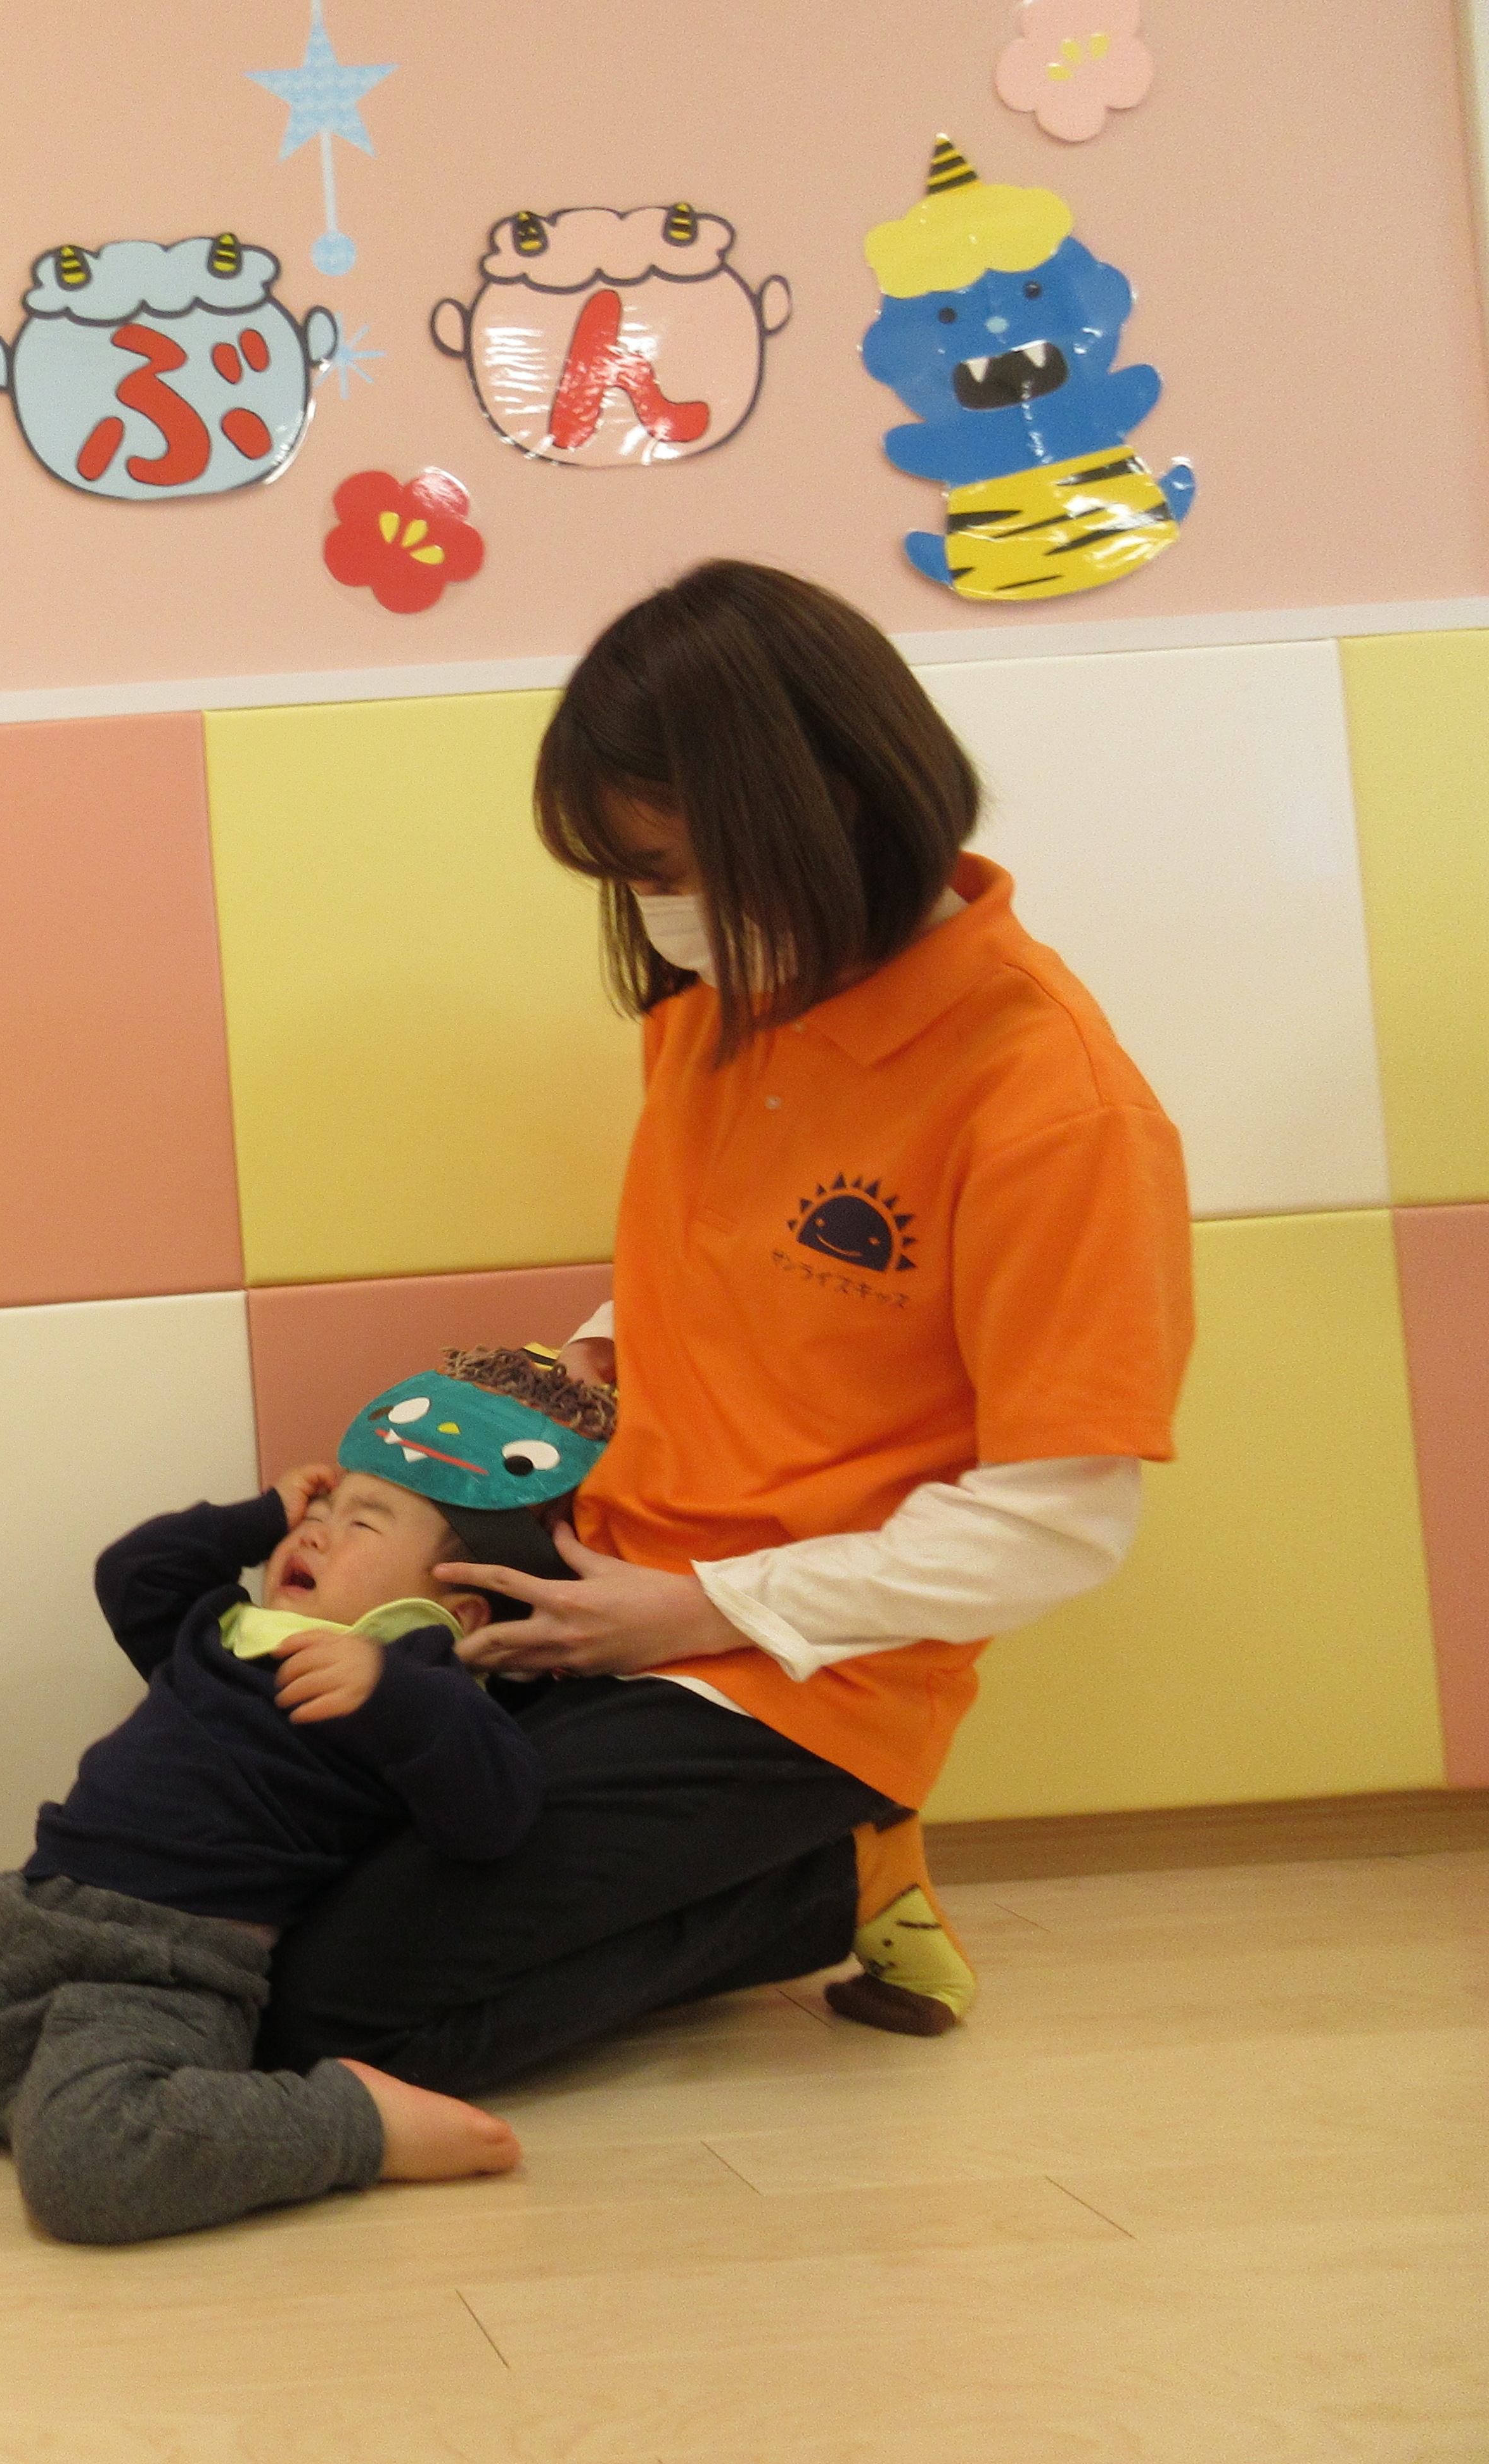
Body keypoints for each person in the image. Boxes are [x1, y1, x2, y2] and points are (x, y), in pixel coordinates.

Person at [260, 559, 1193, 2091]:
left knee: (330, 2014)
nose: (657, 915)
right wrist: (542, 1398)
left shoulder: (1053, 1109)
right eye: (630, 879)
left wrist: (702, 1615)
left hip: (797, 1670)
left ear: (831, 806)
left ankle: (828, 1882)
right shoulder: (726, 1006)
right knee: (253, 1809)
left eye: (666, 870)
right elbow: (710, 1272)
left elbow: (1060, 1524)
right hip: (600, 1569)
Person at [0, 1352, 608, 2245]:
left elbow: (497, 1814)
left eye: (361, 1524)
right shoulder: (223, 1631)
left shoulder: (413, 1686)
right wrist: (260, 1515)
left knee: (87, 2171)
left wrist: (391, 1688)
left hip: (158, 1980)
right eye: (317, 1516)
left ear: (458, 1610)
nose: (316, 1534)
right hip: (23, 1944)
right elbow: (135, 1573)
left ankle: (357, 2122)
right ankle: (29, 2086)